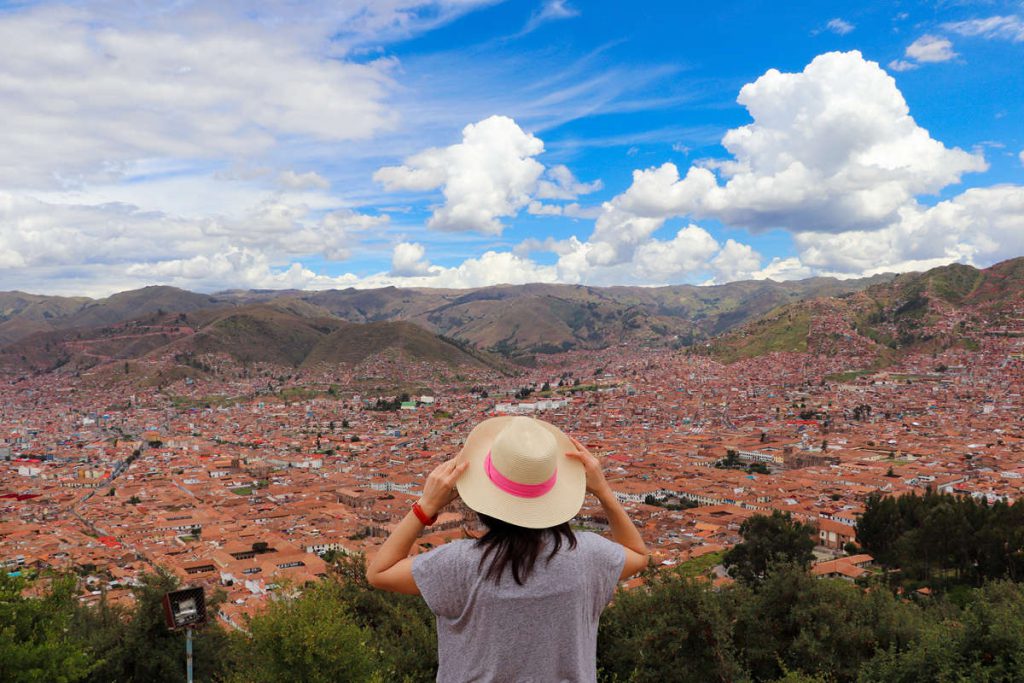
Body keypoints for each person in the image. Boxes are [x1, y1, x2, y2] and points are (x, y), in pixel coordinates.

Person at [367, 415, 648, 682]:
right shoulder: (589, 557)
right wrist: (604, 492)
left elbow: (380, 572)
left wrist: (426, 505)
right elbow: (638, 554)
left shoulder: (460, 564)